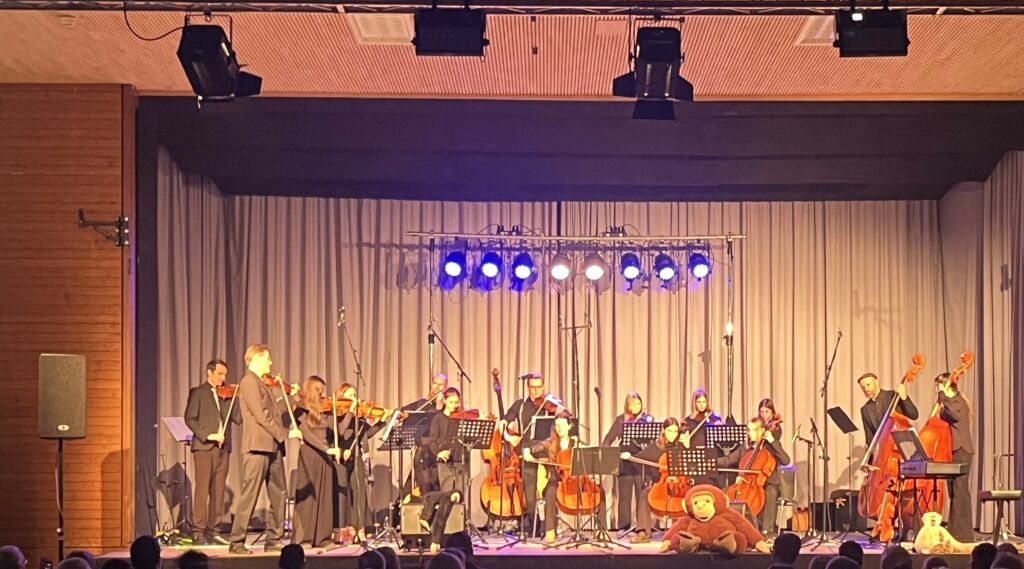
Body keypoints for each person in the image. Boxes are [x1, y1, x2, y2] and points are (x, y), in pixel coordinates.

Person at [229, 344, 302, 554]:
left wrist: (291, 398)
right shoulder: (249, 382)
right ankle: (236, 542)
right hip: (257, 447)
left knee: (279, 493)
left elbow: (276, 412)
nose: (271, 362)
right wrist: (286, 433)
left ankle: (273, 539)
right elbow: (262, 415)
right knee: (250, 494)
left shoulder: (262, 384)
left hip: (273, 446)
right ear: (257, 359)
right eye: (268, 359)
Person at [524, 412, 607, 544]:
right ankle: (550, 530)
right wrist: (527, 452)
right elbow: (532, 448)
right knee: (550, 493)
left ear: (569, 426)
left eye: (562, 425)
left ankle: (601, 529)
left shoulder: (575, 442)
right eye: (557, 425)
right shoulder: (549, 443)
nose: (560, 428)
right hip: (556, 480)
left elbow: (588, 456)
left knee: (599, 491)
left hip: (575, 479)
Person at [184, 359, 239, 545]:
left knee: (218, 489)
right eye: (220, 374)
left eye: (225, 374)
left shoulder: (226, 395)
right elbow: (190, 418)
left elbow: (238, 418)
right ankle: (198, 531)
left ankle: (214, 530)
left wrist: (236, 398)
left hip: (223, 449)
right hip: (204, 448)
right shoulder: (198, 392)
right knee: (202, 489)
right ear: (210, 373)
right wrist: (209, 435)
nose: (223, 378)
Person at [503, 374, 564, 536]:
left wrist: (560, 413)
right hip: (527, 453)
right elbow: (503, 423)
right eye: (533, 387)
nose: (536, 391)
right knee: (529, 494)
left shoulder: (550, 403)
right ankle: (533, 527)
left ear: (543, 387)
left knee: (549, 490)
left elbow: (565, 422)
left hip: (547, 453)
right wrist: (509, 437)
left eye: (539, 387)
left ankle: (550, 526)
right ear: (528, 387)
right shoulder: (520, 405)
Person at [333, 382, 388, 544]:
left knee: (360, 492)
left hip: (355, 455)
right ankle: (342, 529)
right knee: (342, 494)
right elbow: (341, 433)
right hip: (340, 456)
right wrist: (350, 412)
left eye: (354, 395)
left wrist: (382, 422)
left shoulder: (359, 417)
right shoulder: (337, 414)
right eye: (350, 395)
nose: (354, 399)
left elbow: (366, 434)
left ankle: (360, 528)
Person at [719, 416, 791, 536]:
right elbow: (728, 460)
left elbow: (786, 461)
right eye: (748, 429)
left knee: (771, 492)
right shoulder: (746, 448)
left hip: (769, 483)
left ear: (761, 431)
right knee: (723, 493)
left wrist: (772, 440)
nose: (749, 433)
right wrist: (709, 462)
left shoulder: (771, 447)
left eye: (752, 430)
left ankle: (767, 531)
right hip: (748, 483)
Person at [293, 376, 342, 549]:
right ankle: (304, 539)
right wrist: (326, 449)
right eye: (320, 391)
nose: (323, 395)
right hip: (310, 455)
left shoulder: (324, 409)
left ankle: (323, 539)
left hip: (325, 456)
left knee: (324, 497)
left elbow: (336, 431)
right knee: (309, 499)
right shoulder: (301, 409)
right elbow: (306, 434)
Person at [618, 417, 682, 543]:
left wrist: (687, 446)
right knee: (644, 494)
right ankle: (643, 533)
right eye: (669, 431)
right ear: (663, 430)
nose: (672, 435)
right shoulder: (656, 447)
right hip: (661, 486)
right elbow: (639, 458)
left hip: (679, 487)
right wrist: (629, 456)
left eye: (675, 431)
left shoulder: (681, 446)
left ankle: (681, 532)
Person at [601, 391, 653, 532]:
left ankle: (642, 527)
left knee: (641, 496)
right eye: (632, 404)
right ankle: (624, 527)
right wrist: (610, 454)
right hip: (625, 464)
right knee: (624, 497)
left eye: (638, 403)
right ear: (627, 405)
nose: (636, 406)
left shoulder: (647, 420)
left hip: (641, 464)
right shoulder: (620, 420)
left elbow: (653, 442)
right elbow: (607, 439)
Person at [933, 372, 975, 542]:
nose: (936, 390)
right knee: (954, 493)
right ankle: (956, 531)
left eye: (938, 386)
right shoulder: (949, 404)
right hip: (952, 451)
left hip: (962, 450)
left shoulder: (958, 402)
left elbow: (955, 415)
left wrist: (942, 394)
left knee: (960, 492)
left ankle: (962, 535)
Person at [857, 373, 918, 448]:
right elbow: (869, 438)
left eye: (868, 384)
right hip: (883, 450)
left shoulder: (893, 396)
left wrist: (904, 398)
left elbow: (914, 415)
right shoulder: (865, 409)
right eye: (863, 387)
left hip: (903, 446)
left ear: (876, 382)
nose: (866, 389)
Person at [430, 387, 471, 493]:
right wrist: (438, 452)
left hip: (461, 461)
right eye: (451, 402)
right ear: (444, 401)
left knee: (459, 496)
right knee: (446, 496)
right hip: (445, 462)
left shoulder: (463, 418)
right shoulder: (438, 419)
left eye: (456, 402)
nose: (454, 405)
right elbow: (432, 441)